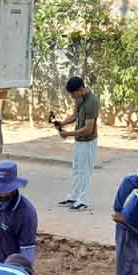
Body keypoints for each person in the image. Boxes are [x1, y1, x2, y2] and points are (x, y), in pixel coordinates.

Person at [54, 76, 99, 211]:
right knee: (76, 169)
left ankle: (82, 200)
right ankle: (73, 197)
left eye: (73, 93)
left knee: (85, 171)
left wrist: (67, 134)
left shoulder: (92, 102)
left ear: (81, 89)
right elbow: (75, 115)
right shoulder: (79, 99)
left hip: (88, 141)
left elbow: (88, 129)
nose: (72, 97)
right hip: (79, 141)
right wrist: (62, 123)